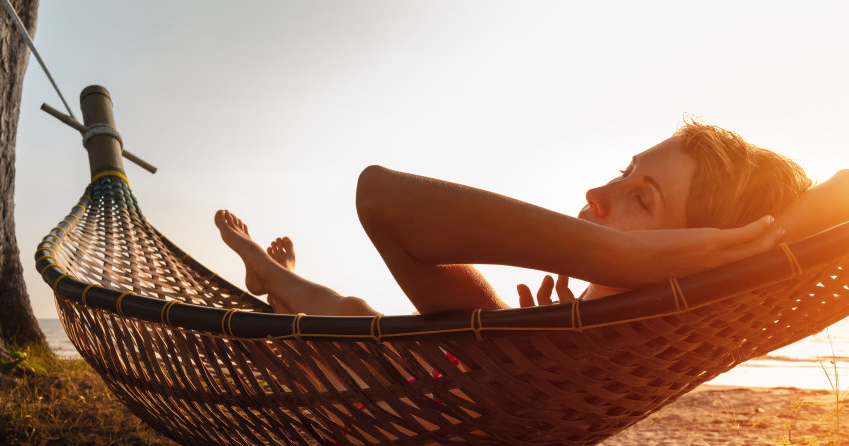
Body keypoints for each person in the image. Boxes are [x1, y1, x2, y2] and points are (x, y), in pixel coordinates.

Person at [214, 120, 846, 316]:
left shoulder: (686, 304)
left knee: (351, 316)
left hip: (449, 407)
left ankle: (271, 274)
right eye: (624, 171)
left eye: (642, 199)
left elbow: (382, 198)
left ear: (706, 247)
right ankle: (273, 276)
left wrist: (630, 260)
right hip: (475, 366)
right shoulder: (597, 318)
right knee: (352, 314)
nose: (599, 190)